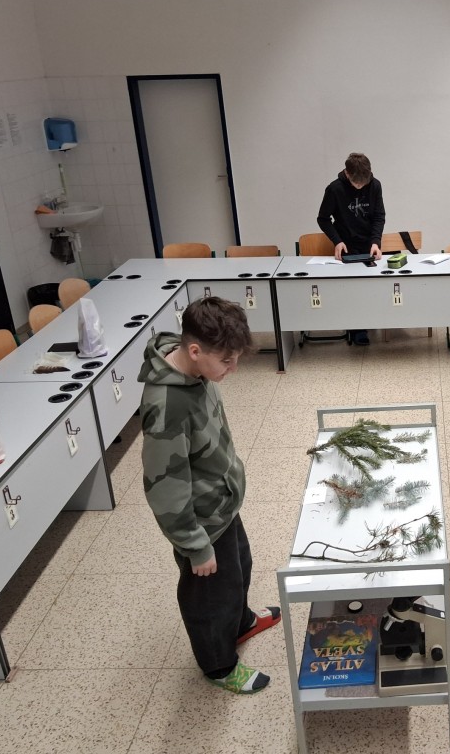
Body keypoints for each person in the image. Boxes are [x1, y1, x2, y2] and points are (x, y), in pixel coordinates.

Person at [139, 296, 280, 695]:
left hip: (221, 502)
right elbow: (164, 488)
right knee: (210, 597)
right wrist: (194, 545)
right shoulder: (166, 405)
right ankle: (218, 664)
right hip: (200, 521)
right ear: (195, 351)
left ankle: (241, 622)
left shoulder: (199, 372)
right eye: (227, 361)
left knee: (239, 569)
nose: (233, 369)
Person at [317, 152, 386, 345]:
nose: (360, 187)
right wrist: (337, 241)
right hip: (346, 245)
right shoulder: (334, 189)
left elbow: (379, 216)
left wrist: (376, 241)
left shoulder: (375, 185)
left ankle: (370, 320)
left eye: (364, 183)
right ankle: (357, 329)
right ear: (347, 174)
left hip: (369, 244)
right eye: (357, 184)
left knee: (370, 287)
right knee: (353, 288)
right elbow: (323, 219)